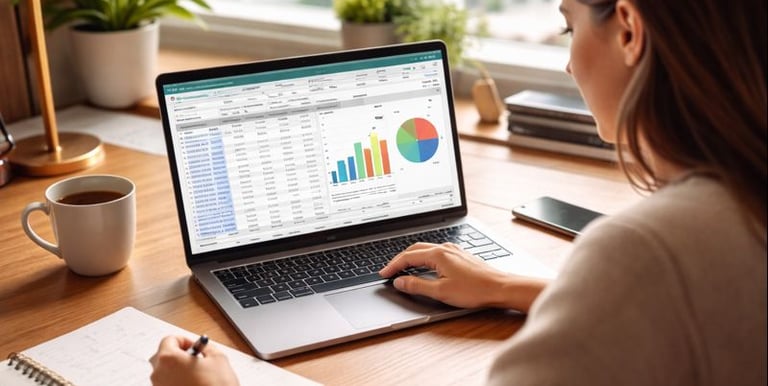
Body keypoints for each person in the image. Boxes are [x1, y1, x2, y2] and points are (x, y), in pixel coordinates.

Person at [149, 0, 767, 384]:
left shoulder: (645, 252)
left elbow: (654, 285)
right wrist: (515, 288)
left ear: (629, 28)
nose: (570, 64)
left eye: (568, 24)